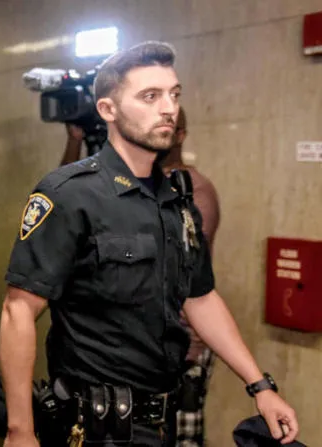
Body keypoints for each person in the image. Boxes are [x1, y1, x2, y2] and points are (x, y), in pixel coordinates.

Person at [0, 41, 298, 446]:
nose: (168, 108)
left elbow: (200, 298)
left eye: (174, 94)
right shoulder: (70, 193)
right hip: (92, 428)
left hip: (160, 422)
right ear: (108, 110)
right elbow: (18, 311)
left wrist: (259, 385)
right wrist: (20, 430)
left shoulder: (178, 200)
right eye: (150, 96)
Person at [159, 109, 221, 447]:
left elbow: (190, 277)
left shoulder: (195, 191)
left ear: (181, 135)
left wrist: (192, 346)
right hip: (154, 343)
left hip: (186, 342)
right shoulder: (145, 184)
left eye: (169, 126)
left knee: (183, 439)